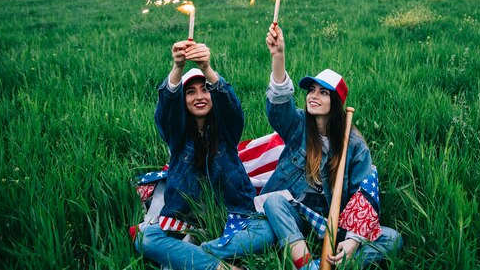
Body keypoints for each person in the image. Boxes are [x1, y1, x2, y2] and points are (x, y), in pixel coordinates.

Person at [261, 24, 402, 270]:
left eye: (323, 93)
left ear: (335, 103)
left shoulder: (354, 145)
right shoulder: (298, 125)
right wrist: (278, 57)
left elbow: (363, 196)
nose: (313, 96)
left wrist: (353, 242)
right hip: (300, 213)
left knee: (392, 238)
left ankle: (329, 262)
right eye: (311, 90)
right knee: (273, 202)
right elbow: (279, 105)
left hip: (337, 221)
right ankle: (307, 265)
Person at [135, 40, 274, 270]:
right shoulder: (177, 136)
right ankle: (221, 267)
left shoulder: (227, 131)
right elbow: (165, 113)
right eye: (191, 92)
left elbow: (232, 109)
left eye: (205, 90)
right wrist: (178, 67)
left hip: (233, 214)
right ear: (184, 100)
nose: (199, 96)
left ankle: (199, 255)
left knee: (267, 230)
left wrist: (206, 68)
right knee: (145, 238)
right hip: (186, 218)